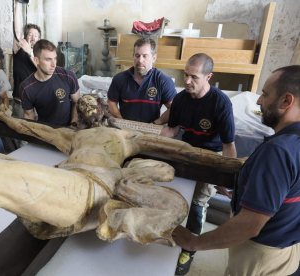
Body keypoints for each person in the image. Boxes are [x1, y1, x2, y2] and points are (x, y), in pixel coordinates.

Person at [0, 95, 245, 276]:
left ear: (103, 109)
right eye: (83, 104)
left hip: (89, 188)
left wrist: (235, 163)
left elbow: (183, 149)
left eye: (93, 103)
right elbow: (30, 129)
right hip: (62, 179)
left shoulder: (127, 136)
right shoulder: (71, 135)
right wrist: (2, 117)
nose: (87, 107)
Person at [172, 65, 300, 276]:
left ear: (286, 101)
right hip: (287, 251)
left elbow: (248, 226)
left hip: (260, 257)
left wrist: (193, 242)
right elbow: (287, 193)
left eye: (265, 95)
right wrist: (243, 195)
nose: (259, 101)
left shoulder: (279, 151)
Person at [160, 53, 236, 275]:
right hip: (186, 153)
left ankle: (189, 249)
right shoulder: (181, 99)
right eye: (185, 74)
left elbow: (228, 145)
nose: (187, 81)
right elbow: (172, 130)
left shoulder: (221, 103)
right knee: (174, 194)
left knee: (197, 204)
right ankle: (170, 233)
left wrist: (227, 178)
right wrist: (145, 141)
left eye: (193, 76)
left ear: (208, 77)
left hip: (210, 157)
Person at [107, 37, 177, 124]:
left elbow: (174, 108)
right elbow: (111, 103)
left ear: (154, 58)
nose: (140, 60)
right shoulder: (120, 79)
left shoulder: (164, 81)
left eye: (145, 56)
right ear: (133, 56)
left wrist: (156, 123)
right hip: (124, 128)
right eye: (137, 56)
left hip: (151, 129)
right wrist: (122, 122)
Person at [19, 39, 80, 127]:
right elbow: (29, 116)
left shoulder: (68, 76)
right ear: (36, 60)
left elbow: (77, 103)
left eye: (55, 59)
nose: (54, 64)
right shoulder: (26, 88)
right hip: (45, 131)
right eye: (48, 60)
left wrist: (74, 123)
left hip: (69, 129)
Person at [12, 0, 41, 118]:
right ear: (25, 37)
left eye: (36, 35)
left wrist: (30, 52)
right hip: (20, 103)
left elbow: (43, 70)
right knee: (18, 134)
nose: (33, 37)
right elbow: (17, 30)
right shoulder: (19, 49)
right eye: (30, 34)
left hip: (37, 103)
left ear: (39, 39)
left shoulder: (40, 55)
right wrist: (17, 4)